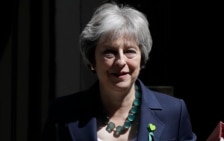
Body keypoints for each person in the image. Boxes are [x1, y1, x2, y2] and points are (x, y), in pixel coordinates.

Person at [42, 2, 197, 141]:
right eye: (109, 52)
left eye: (130, 51)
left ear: (141, 57)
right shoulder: (62, 113)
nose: (121, 61)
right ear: (92, 60)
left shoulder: (174, 112)